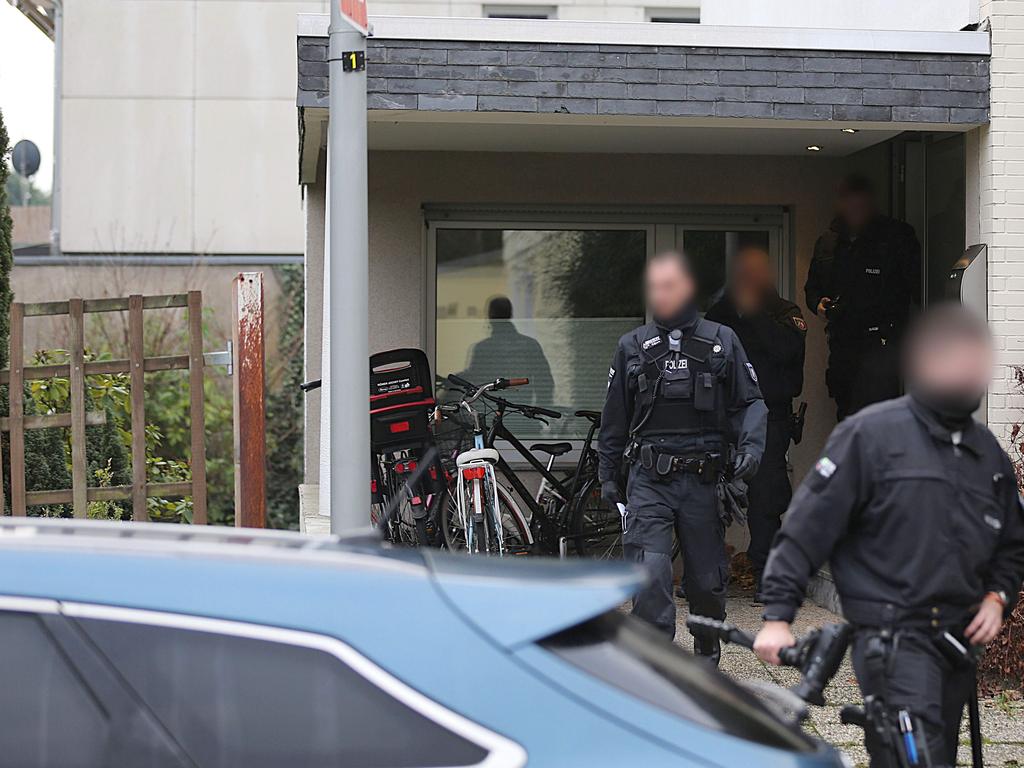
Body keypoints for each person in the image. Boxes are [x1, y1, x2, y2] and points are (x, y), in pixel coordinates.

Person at [753, 304, 1024, 768]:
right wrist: (778, 616)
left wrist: (998, 597)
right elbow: (806, 528)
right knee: (917, 756)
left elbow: (1012, 545)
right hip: (893, 637)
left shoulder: (987, 455)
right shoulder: (870, 436)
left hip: (957, 640)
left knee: (922, 754)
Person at [598, 250, 767, 663]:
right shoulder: (632, 347)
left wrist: (750, 448)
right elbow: (614, 418)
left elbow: (751, 404)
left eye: (670, 284)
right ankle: (659, 670)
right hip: (649, 480)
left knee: (708, 584)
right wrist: (608, 476)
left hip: (704, 481)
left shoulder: (722, 341)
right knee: (651, 574)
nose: (662, 293)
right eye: (655, 286)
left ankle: (706, 656)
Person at [706, 245, 806, 600]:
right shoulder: (720, 313)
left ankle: (768, 577)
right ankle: (707, 577)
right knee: (707, 499)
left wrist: (754, 315)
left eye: (755, 270)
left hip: (769, 419)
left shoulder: (784, 312)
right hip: (722, 419)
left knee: (766, 501)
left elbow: (786, 352)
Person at [805, 174, 921, 420]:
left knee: (879, 418)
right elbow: (812, 288)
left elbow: (918, 287)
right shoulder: (829, 242)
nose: (854, 210)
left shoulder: (894, 238)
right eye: (848, 203)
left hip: (882, 342)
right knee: (847, 416)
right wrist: (820, 306)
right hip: (842, 344)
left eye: (859, 204)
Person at [459, 296, 554, 406]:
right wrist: (540, 408)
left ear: (489, 316)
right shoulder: (529, 344)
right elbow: (544, 381)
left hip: (491, 410)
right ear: (510, 314)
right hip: (521, 410)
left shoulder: (483, 347)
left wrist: (449, 380)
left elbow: (473, 376)